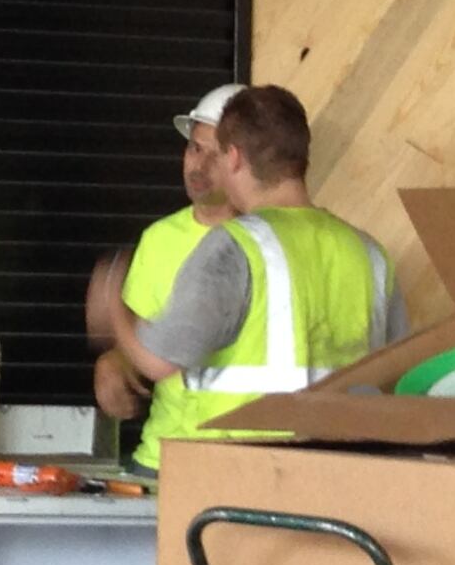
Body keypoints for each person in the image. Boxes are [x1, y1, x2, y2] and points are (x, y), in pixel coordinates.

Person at [101, 82, 399, 442]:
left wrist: (111, 302)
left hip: (239, 471)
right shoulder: (369, 252)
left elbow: (158, 361)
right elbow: (398, 373)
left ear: (235, 157)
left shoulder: (237, 246)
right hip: (344, 472)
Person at [88, 83, 239, 475]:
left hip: (248, 462)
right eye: (194, 148)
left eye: (215, 153)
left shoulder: (267, 241)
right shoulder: (159, 239)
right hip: (163, 457)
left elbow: (159, 358)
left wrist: (112, 310)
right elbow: (140, 345)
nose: (198, 166)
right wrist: (112, 363)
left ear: (242, 160)